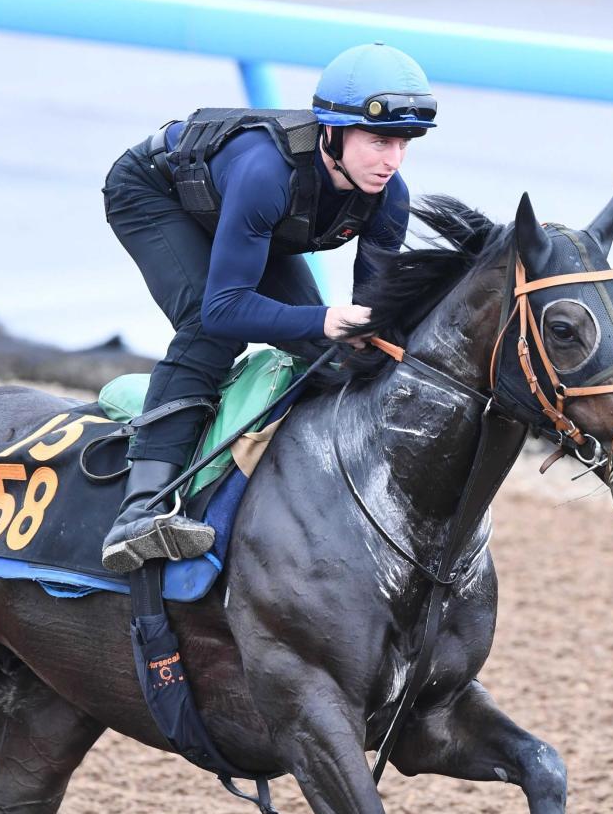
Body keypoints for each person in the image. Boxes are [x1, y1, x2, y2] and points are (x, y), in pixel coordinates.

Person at [100, 41, 438, 574]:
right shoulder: (266, 174)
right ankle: (139, 509)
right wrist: (325, 316)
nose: (391, 161)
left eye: (403, 144)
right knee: (210, 329)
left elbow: (369, 322)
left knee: (330, 350)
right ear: (332, 132)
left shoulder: (389, 197)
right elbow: (224, 310)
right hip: (154, 194)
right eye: (378, 141)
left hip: (241, 216)